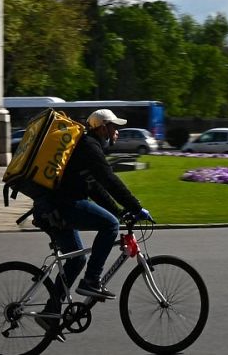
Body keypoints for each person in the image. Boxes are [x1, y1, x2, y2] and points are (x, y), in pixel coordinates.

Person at [36, 108, 153, 329]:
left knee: (77, 258)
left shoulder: (86, 146)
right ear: (102, 127)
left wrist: (120, 210)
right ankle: (92, 280)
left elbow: (95, 188)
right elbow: (108, 180)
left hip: (53, 208)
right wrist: (135, 207)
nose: (117, 132)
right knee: (110, 225)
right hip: (60, 208)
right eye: (114, 127)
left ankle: (51, 311)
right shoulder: (90, 146)